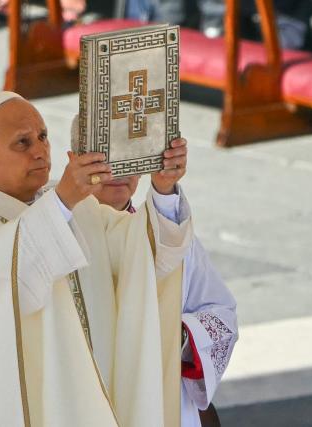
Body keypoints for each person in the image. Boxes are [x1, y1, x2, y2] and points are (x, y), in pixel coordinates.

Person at [0, 91, 193, 426]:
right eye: (22, 143)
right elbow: (11, 279)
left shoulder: (79, 209)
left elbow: (143, 255)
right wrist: (64, 199)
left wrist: (164, 188)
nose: (40, 151)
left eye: (42, 137)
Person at [71, 115, 239, 427]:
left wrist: (177, 337)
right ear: (75, 161)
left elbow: (221, 313)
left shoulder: (171, 231)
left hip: (159, 396)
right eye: (104, 156)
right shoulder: (59, 235)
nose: (119, 168)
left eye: (131, 156)